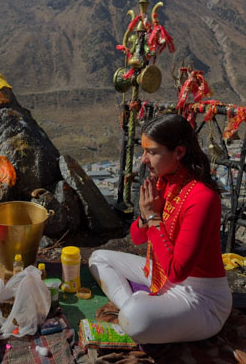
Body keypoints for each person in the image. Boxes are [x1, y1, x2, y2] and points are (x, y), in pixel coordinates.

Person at [89, 114, 231, 345]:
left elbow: (178, 272)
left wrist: (154, 217)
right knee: (99, 259)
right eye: (144, 151)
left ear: (179, 152)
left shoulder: (202, 198)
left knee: (136, 318)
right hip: (163, 274)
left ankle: (136, 310)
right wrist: (146, 216)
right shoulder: (164, 182)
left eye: (152, 152)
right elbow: (136, 237)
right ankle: (134, 307)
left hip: (201, 298)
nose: (144, 159)